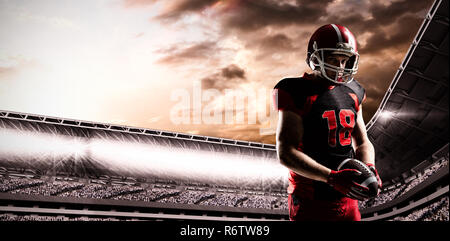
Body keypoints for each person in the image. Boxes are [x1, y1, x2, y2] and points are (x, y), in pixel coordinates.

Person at [273, 24, 382, 221]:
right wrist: (331, 177)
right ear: (315, 58)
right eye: (333, 59)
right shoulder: (293, 90)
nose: (340, 67)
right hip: (310, 197)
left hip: (347, 196)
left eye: (345, 60)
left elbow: (363, 141)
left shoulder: (354, 90)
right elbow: (286, 152)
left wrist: (369, 166)